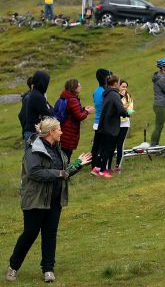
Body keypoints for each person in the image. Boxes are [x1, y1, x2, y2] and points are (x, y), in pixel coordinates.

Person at [7, 117, 91, 283]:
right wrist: (59, 173)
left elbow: (63, 173)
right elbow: (35, 172)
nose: (61, 131)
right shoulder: (33, 150)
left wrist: (78, 165)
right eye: (59, 129)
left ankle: (48, 269)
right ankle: (13, 267)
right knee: (30, 234)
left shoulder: (57, 149)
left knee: (50, 234)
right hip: (36, 200)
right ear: (51, 132)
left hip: (54, 199)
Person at [94, 74, 127, 177]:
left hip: (104, 125)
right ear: (115, 83)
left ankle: (96, 169)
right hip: (111, 126)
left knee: (103, 148)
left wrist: (120, 96)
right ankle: (103, 171)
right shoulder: (114, 94)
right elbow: (120, 110)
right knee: (108, 149)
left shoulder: (107, 94)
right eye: (119, 82)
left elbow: (112, 104)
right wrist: (127, 112)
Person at [55, 79, 93, 162]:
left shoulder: (65, 97)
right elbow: (79, 116)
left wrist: (83, 109)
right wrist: (87, 111)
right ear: (74, 88)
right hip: (69, 132)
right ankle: (64, 173)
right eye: (79, 86)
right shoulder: (73, 100)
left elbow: (72, 112)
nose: (81, 87)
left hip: (63, 129)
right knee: (66, 156)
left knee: (62, 155)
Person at [20, 71, 52, 150]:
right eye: (46, 82)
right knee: (33, 158)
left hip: (33, 132)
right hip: (33, 133)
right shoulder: (37, 96)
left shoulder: (36, 94)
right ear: (41, 82)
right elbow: (48, 113)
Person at [114, 80, 135, 173]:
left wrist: (126, 110)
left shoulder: (128, 96)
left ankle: (118, 166)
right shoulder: (115, 96)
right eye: (123, 86)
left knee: (120, 145)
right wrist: (123, 108)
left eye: (126, 87)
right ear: (118, 86)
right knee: (113, 144)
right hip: (115, 123)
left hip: (125, 123)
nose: (124, 88)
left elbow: (131, 110)